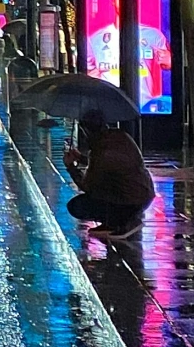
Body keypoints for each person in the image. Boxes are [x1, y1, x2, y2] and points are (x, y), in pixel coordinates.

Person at [64, 105, 154, 246]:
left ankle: (120, 222)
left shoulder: (101, 151)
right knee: (105, 187)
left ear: (86, 130)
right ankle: (118, 219)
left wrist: (70, 167)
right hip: (144, 194)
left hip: (130, 201)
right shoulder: (120, 136)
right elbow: (111, 166)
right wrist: (81, 158)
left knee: (77, 205)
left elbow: (88, 186)